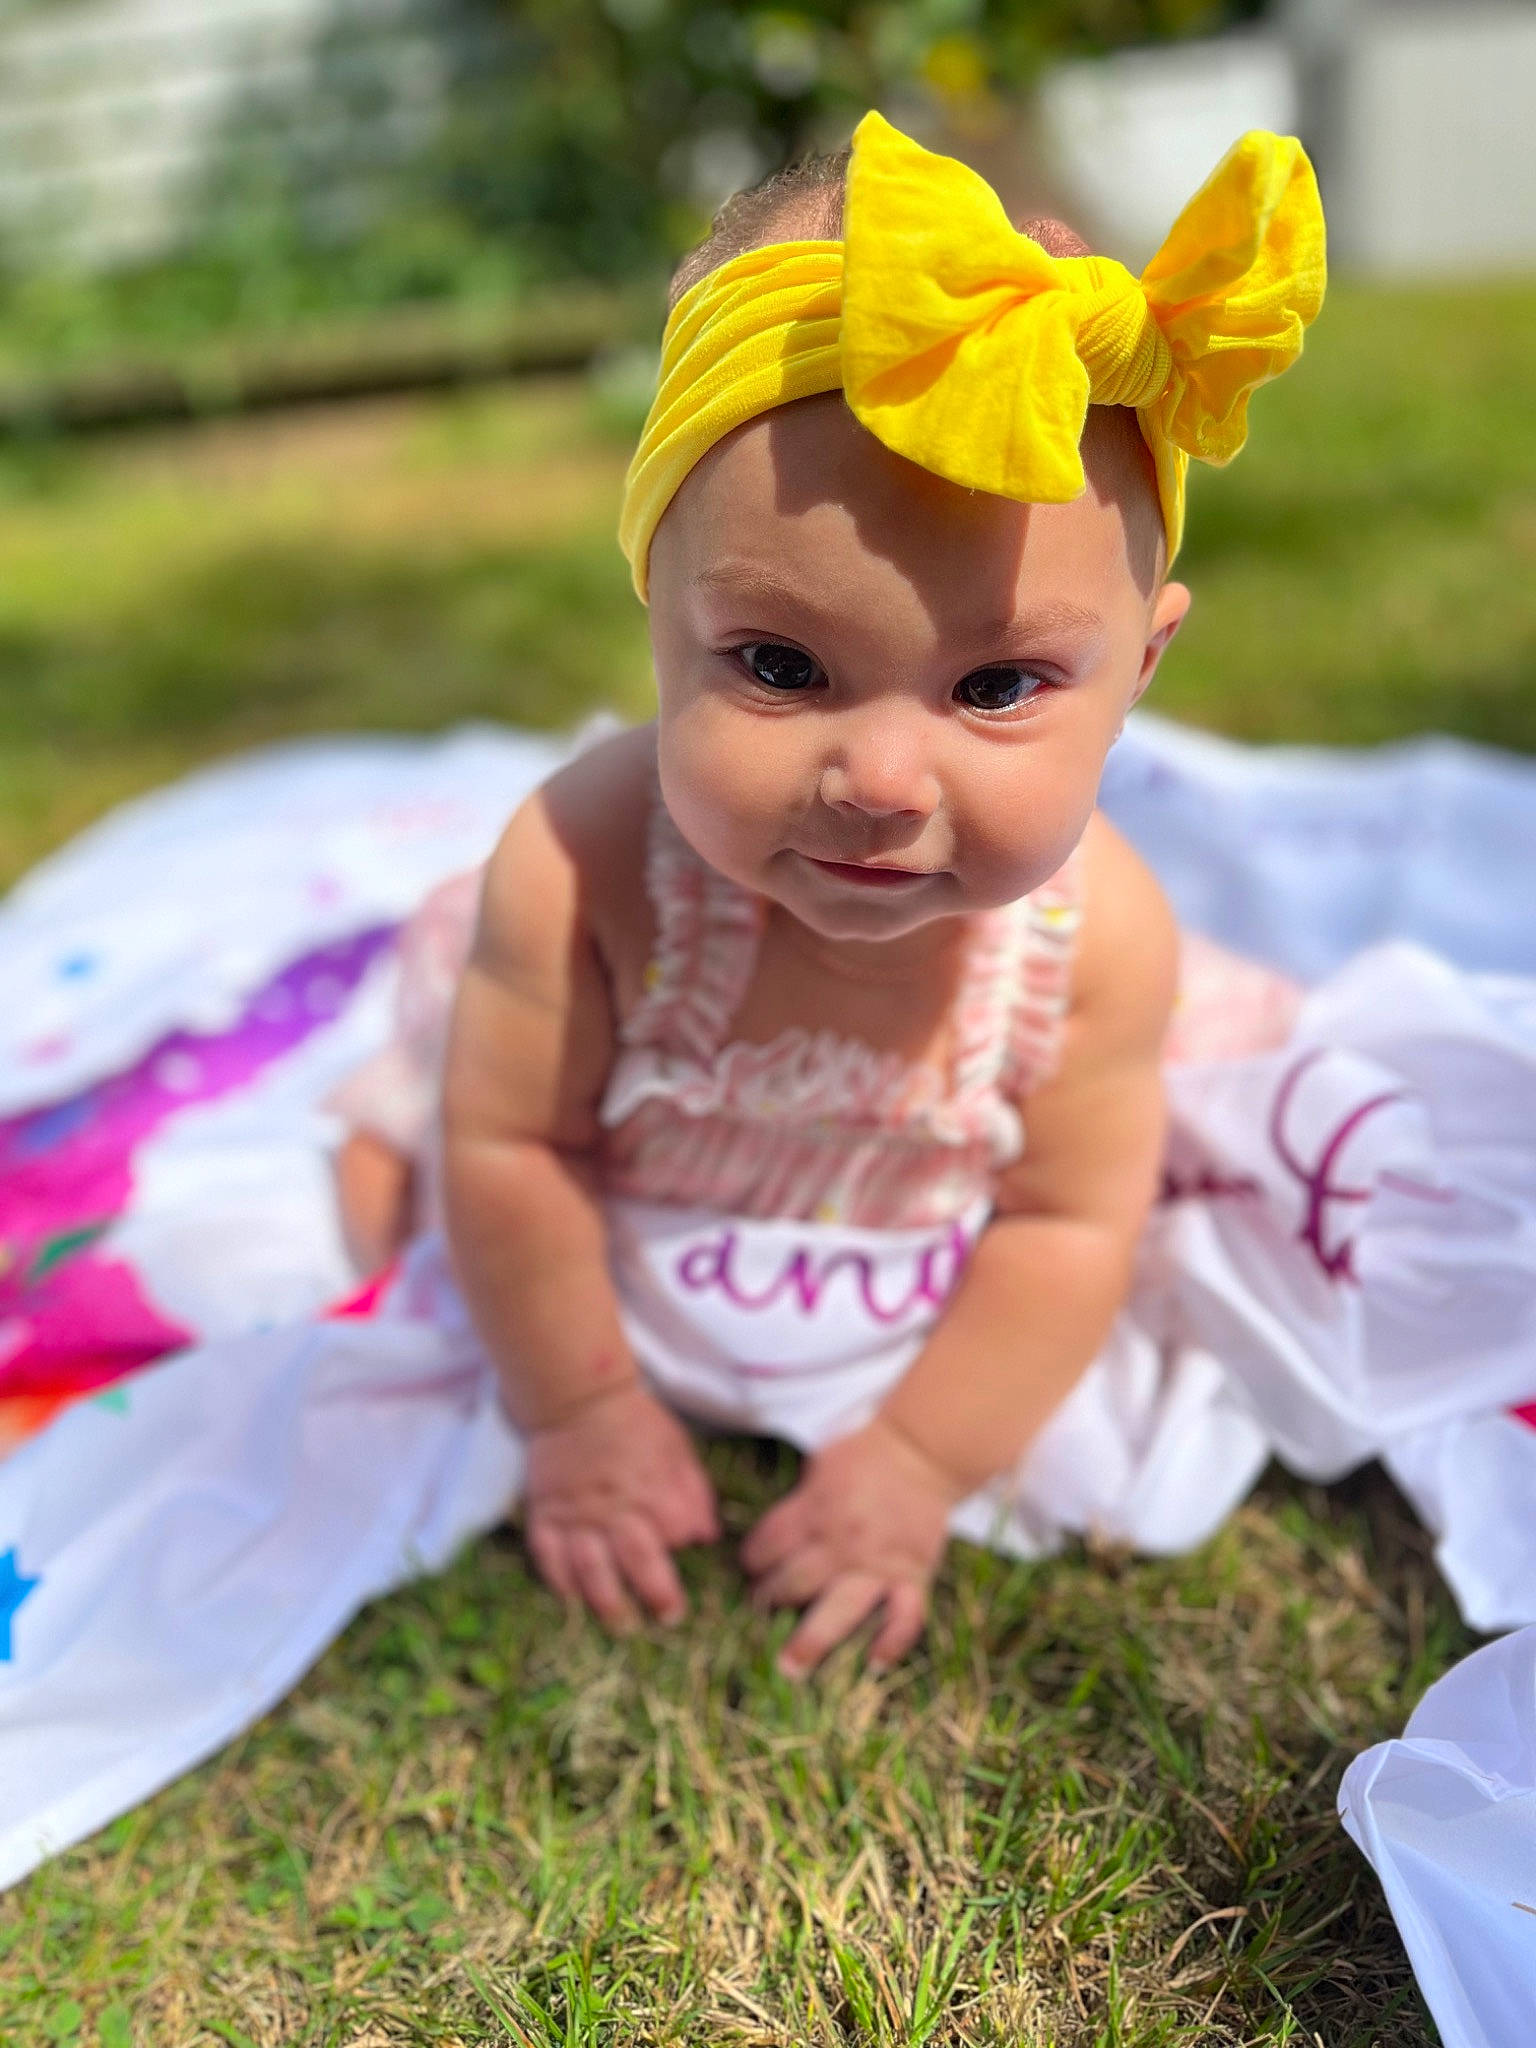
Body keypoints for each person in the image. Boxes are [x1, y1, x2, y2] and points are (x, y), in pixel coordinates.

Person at [334, 112, 1326, 1676]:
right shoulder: (587, 872)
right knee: (402, 1170)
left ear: (1138, 671)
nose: (878, 778)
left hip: (892, 1218)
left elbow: (1069, 1221)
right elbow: (515, 1143)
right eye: (781, 667)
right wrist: (579, 1410)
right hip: (603, 1128)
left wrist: (922, 1463)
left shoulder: (1098, 945)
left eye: (995, 685)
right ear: (658, 604)